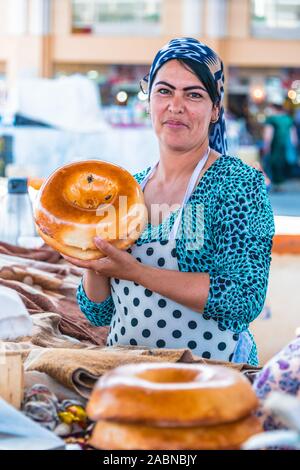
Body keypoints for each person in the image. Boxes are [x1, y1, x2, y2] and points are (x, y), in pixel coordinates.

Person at [66, 38, 275, 366]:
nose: (176, 106)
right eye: (164, 91)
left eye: (193, 94)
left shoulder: (236, 183)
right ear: (149, 101)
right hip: (124, 372)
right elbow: (98, 311)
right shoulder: (126, 188)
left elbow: (241, 297)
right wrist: (94, 261)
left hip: (210, 377)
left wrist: (135, 271)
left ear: (215, 110)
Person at [262, 97, 298, 190]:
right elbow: (293, 134)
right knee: (283, 163)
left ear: (274, 108)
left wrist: (266, 145)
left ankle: (276, 184)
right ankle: (280, 183)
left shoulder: (272, 119)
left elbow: (268, 134)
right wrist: (294, 146)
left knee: (273, 163)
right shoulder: (288, 119)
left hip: (275, 145)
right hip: (285, 145)